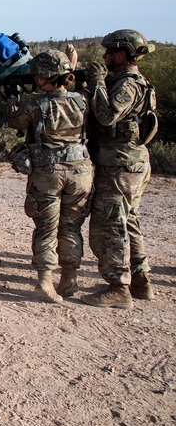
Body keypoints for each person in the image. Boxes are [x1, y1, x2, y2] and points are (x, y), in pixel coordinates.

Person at [5, 50, 93, 303]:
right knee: (72, 226)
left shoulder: (36, 104)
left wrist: (12, 99)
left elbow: (15, 122)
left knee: (46, 227)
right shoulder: (82, 100)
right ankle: (69, 278)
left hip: (48, 172)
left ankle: (45, 281)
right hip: (80, 171)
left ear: (43, 77)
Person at [82, 30, 158, 309]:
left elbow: (106, 114)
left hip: (121, 163)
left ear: (122, 54)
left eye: (109, 52)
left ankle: (118, 288)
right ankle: (141, 280)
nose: (105, 57)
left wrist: (98, 82)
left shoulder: (128, 84)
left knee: (110, 223)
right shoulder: (126, 82)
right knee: (128, 221)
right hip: (128, 161)